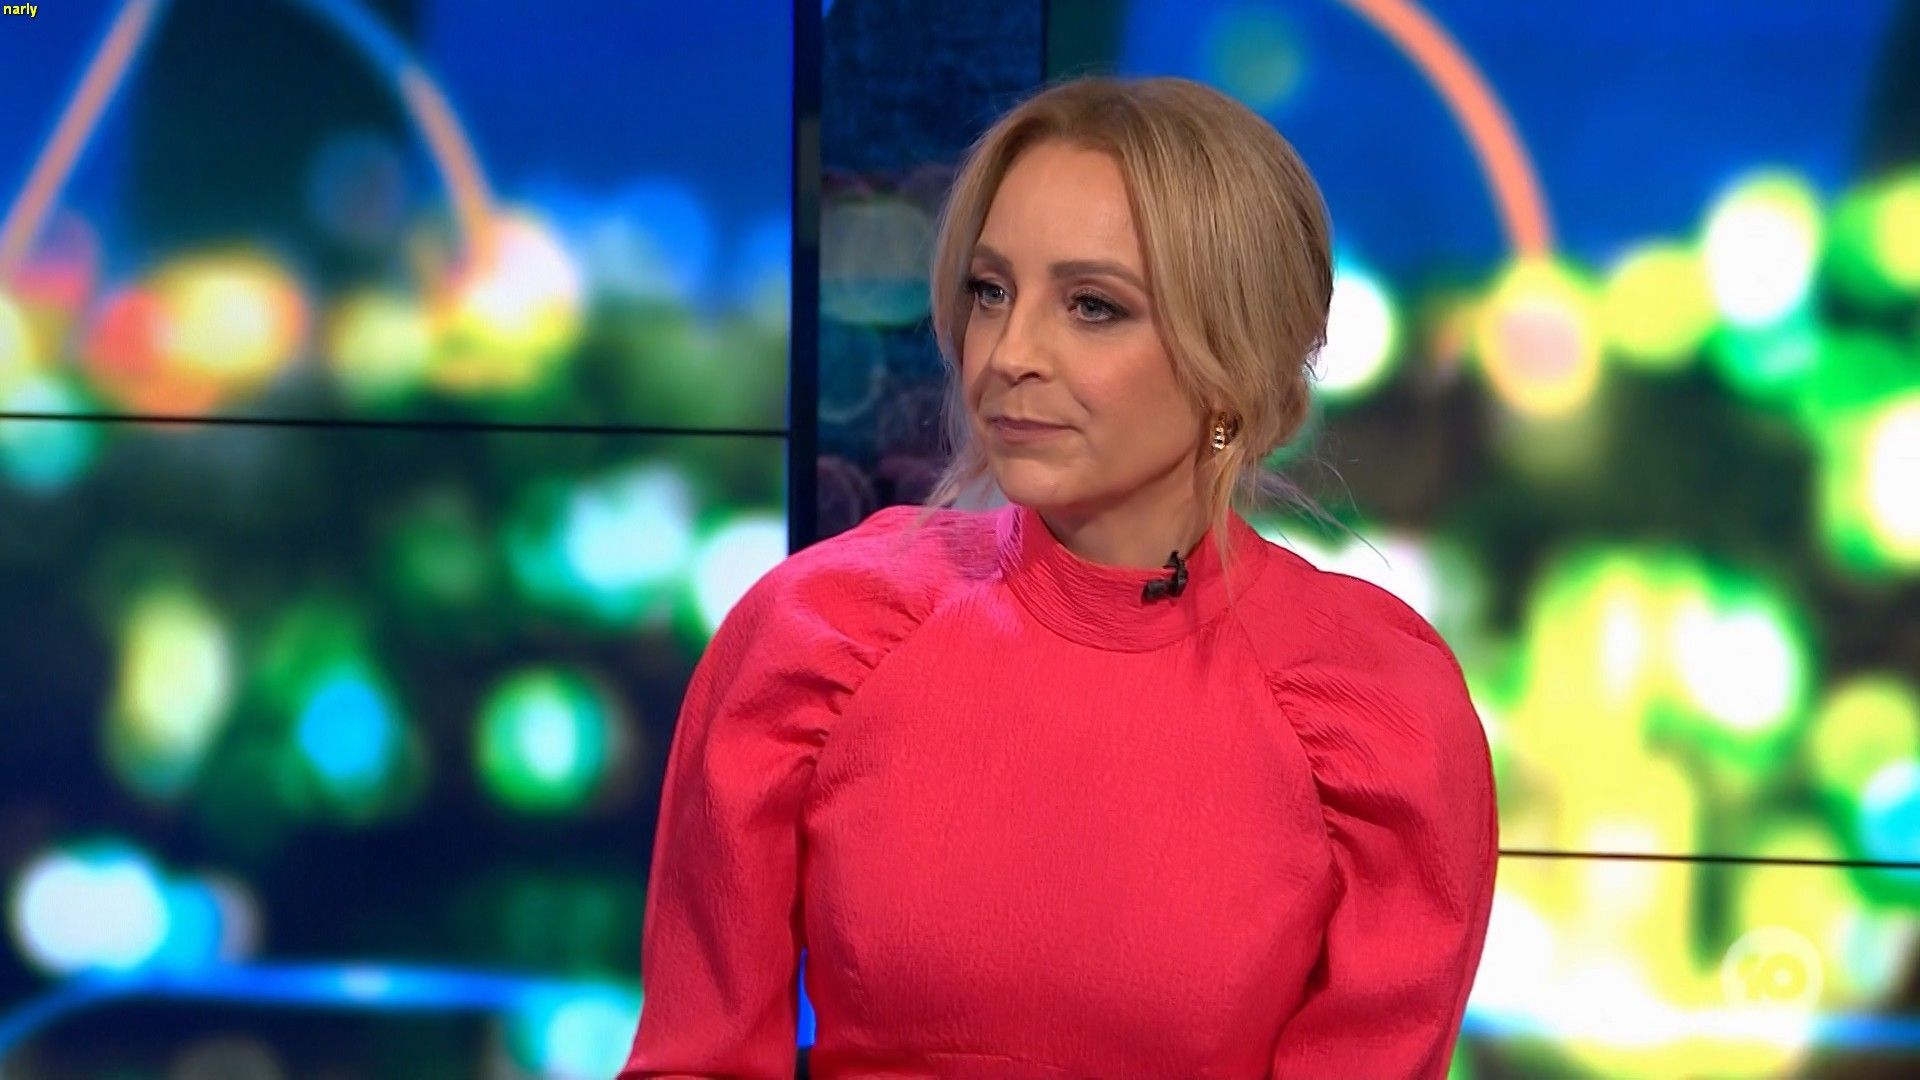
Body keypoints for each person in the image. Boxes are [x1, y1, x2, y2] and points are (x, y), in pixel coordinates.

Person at [621, 75, 1497, 1080]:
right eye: (990, 291)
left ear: (1236, 361)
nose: (1009, 354)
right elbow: (696, 1057)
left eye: (1092, 306)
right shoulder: (818, 634)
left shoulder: (1374, 706)